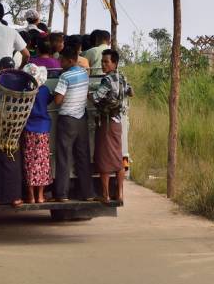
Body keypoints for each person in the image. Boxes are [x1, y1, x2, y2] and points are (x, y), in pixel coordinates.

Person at [90, 49, 134, 205]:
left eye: (106, 62)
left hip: (106, 123)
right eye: (102, 61)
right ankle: (120, 193)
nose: (103, 64)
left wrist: (89, 94)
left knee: (103, 160)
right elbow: (131, 92)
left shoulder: (107, 80)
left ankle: (106, 195)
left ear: (114, 63)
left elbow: (96, 98)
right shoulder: (122, 78)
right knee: (118, 157)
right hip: (117, 122)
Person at [53, 46, 94, 202]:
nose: (60, 62)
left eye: (62, 60)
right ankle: (88, 193)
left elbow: (57, 101)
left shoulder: (65, 76)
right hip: (81, 118)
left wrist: (55, 94)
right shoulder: (84, 74)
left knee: (64, 157)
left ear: (70, 60)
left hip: (67, 120)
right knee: (83, 156)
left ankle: (62, 194)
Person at [0, 56, 23, 207]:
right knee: (13, 160)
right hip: (16, 125)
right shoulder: (21, 80)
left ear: (1, 68)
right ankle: (16, 197)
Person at [22, 63, 53, 204]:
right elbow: (49, 101)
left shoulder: (25, 91)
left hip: (28, 129)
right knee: (42, 163)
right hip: (43, 130)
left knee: (29, 162)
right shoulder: (45, 90)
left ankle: (31, 197)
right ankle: (40, 196)